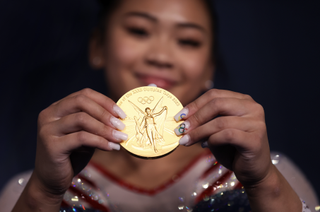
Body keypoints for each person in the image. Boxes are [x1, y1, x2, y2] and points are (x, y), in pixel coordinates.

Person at [0, 0, 318, 211]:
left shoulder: (271, 176)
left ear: (209, 67)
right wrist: (42, 195)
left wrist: (265, 185)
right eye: (139, 31)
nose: (161, 56)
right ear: (98, 46)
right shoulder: (29, 191)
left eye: (188, 41)